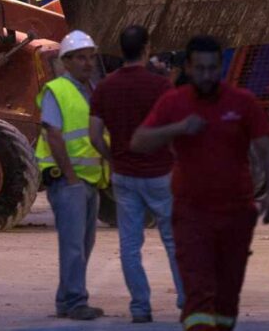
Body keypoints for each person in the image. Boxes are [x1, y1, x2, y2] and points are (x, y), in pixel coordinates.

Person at [131, 35, 269, 331]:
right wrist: (178, 128)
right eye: (200, 68)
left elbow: (266, 150)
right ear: (188, 66)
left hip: (236, 215)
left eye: (213, 68)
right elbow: (139, 142)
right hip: (192, 216)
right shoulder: (174, 103)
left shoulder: (242, 103)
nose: (207, 75)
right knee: (198, 292)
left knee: (226, 297)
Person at [90, 25, 184, 323]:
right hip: (159, 174)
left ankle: (140, 307)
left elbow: (94, 135)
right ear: (146, 49)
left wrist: (114, 157)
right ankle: (187, 300)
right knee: (174, 240)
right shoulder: (161, 87)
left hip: (124, 176)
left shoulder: (105, 86)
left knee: (130, 244)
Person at [35, 30, 104, 321]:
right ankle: (76, 301)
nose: (87, 63)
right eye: (80, 58)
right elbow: (54, 135)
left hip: (89, 179)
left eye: (90, 57)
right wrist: (71, 177)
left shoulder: (90, 90)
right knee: (74, 244)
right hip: (69, 182)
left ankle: (67, 299)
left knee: (82, 244)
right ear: (66, 62)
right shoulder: (57, 90)